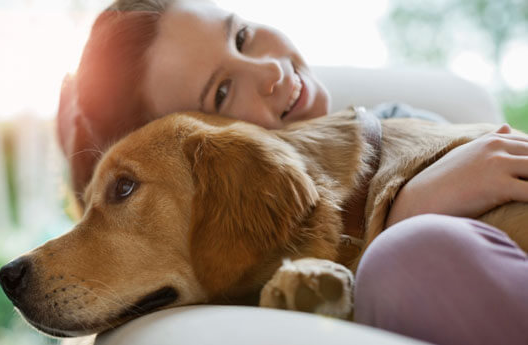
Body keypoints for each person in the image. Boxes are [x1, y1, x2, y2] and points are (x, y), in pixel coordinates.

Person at [57, 0, 528, 344]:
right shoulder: (242, 246)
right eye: (221, 94)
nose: (269, 71)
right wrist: (411, 206)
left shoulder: (405, 125)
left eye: (240, 36)